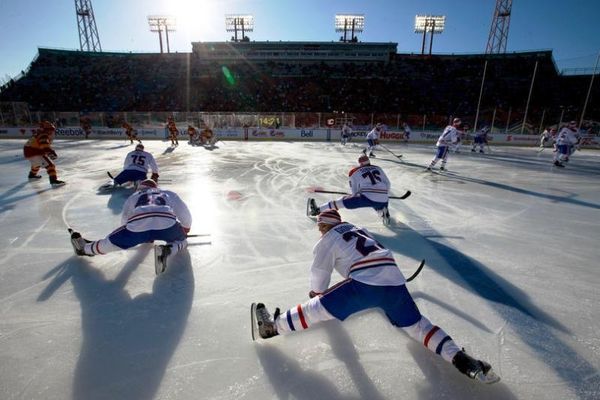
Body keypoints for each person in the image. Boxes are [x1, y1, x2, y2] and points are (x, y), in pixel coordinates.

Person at [252, 209, 500, 384]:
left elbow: (319, 275)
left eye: (319, 226)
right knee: (418, 327)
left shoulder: (327, 238)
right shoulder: (359, 229)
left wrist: (318, 294)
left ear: (325, 225)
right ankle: (462, 360)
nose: (319, 230)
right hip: (394, 281)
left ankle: (272, 328)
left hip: (363, 284)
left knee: (313, 310)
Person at [70, 179, 192, 274]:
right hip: (167, 223)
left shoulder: (134, 196)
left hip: (138, 226)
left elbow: (125, 220)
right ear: (155, 187)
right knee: (182, 241)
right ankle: (169, 250)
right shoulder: (168, 193)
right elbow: (185, 214)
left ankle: (85, 249)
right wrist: (184, 231)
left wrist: (129, 236)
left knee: (110, 243)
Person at [308, 155, 391, 223]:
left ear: (360, 164)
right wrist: (384, 193)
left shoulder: (354, 171)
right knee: (378, 203)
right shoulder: (378, 168)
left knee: (340, 202)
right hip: (384, 197)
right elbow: (388, 183)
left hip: (367, 197)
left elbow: (354, 191)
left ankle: (318, 210)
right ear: (369, 162)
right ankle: (383, 213)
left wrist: (355, 195)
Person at [23, 120, 66, 186]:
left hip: (28, 152)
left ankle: (32, 175)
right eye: (51, 130)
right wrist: (51, 153)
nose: (52, 132)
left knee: (36, 164)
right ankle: (53, 181)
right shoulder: (43, 135)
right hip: (35, 152)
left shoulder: (38, 134)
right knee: (50, 166)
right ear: (47, 130)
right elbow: (44, 146)